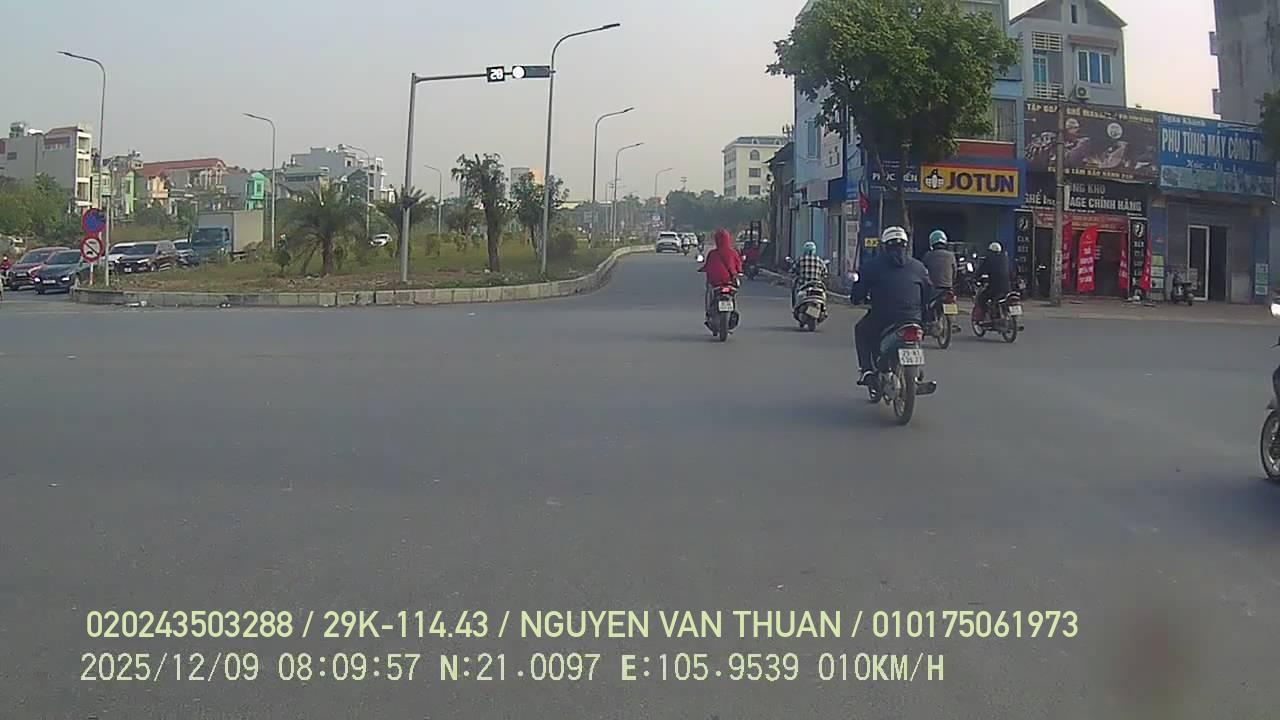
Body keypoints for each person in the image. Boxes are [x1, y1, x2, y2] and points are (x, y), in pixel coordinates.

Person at [850, 226, 932, 386]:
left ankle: (867, 370)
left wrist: (857, 299)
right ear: (906, 245)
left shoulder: (872, 265)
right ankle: (915, 375)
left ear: (885, 245)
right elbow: (928, 292)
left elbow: (858, 292)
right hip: (913, 317)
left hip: (883, 317)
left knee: (861, 330)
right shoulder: (919, 267)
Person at [698, 228, 743, 328]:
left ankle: (709, 311)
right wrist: (738, 272)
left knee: (709, 293)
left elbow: (708, 266)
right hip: (729, 282)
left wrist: (702, 269)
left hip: (715, 283)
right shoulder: (733, 253)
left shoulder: (712, 254)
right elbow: (739, 265)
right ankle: (733, 309)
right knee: (733, 295)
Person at [921, 231, 956, 325]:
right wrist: (951, 283)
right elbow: (954, 271)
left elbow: (922, 271)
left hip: (933, 288)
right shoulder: (951, 255)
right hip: (948, 288)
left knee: (925, 304)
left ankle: (927, 322)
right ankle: (952, 322)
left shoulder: (928, 256)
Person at [973, 241, 1012, 322]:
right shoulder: (1005, 258)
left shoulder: (989, 259)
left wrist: (976, 278)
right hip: (1007, 288)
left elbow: (981, 270)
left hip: (995, 288)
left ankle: (985, 317)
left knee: (981, 298)